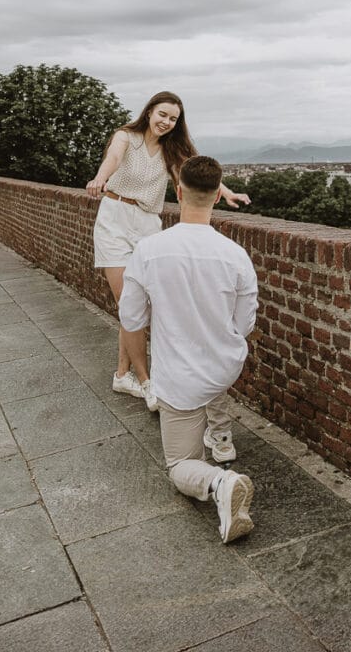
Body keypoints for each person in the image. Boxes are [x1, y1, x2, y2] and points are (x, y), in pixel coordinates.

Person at [118, 155, 258, 543]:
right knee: (210, 392)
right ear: (216, 196)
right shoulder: (236, 255)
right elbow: (245, 324)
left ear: (177, 193)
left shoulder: (149, 250)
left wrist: (143, 376)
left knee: (180, 464)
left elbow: (131, 319)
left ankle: (220, 483)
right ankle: (221, 437)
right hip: (224, 366)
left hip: (179, 378)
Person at [86, 92, 250, 411]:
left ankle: (122, 374)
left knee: (139, 305)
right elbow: (114, 159)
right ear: (149, 112)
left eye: (173, 119)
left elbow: (194, 172)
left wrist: (225, 193)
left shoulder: (171, 149)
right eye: (162, 114)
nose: (166, 122)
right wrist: (100, 178)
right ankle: (147, 382)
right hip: (115, 218)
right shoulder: (126, 137)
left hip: (148, 223)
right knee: (128, 305)